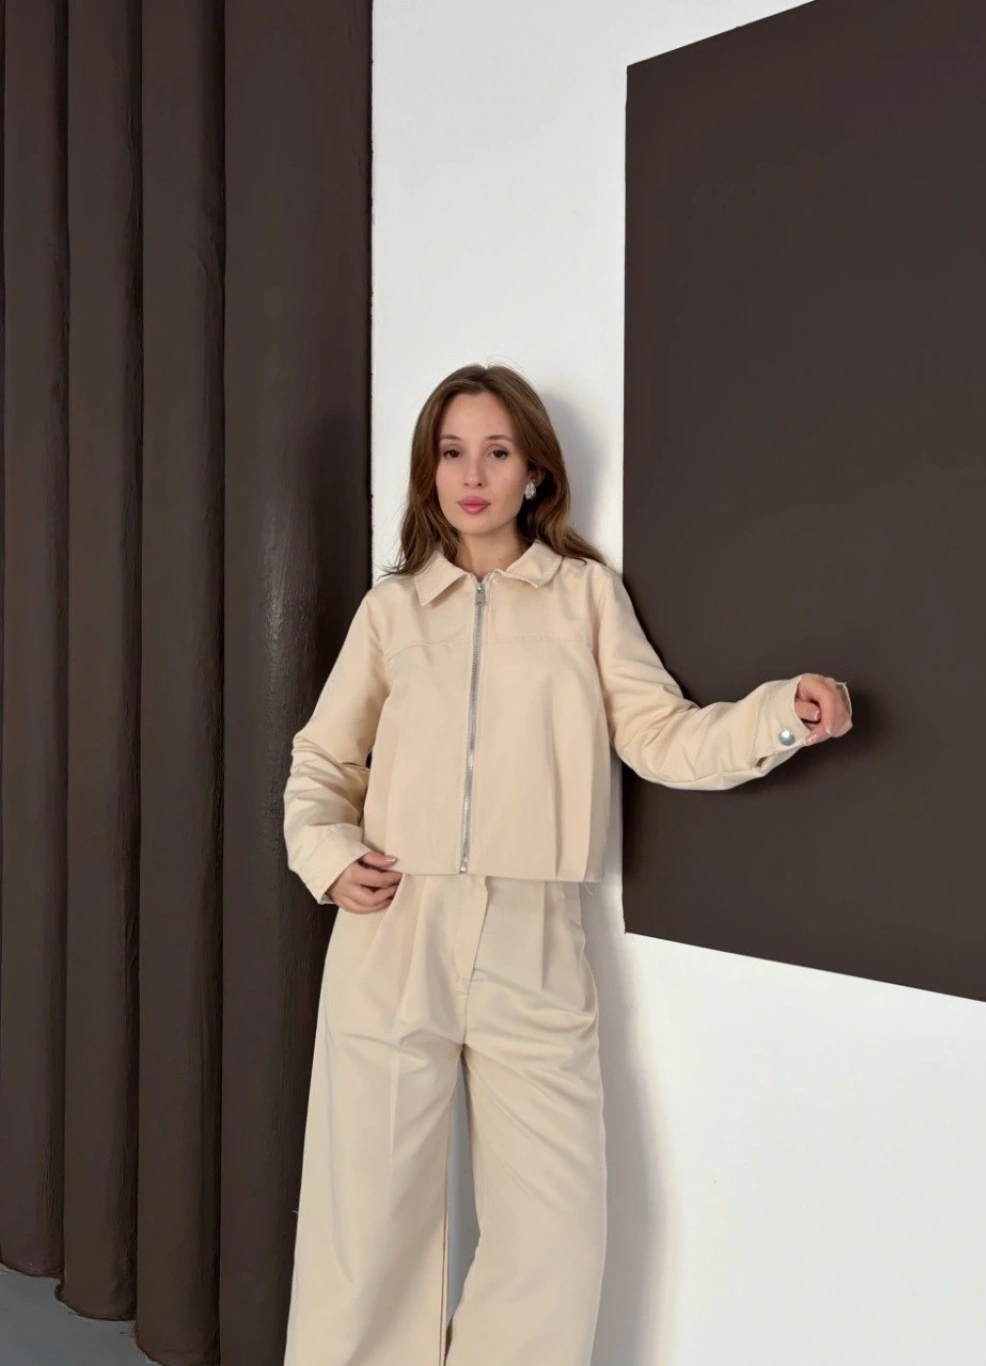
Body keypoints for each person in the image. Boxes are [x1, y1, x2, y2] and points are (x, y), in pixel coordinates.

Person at [280, 363, 853, 1366]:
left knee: (554, 1241)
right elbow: (322, 762)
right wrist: (327, 856)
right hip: (394, 930)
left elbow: (661, 734)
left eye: (497, 451)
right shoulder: (393, 611)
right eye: (452, 452)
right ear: (428, 473)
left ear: (534, 472)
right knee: (364, 1235)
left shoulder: (584, 598)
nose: (473, 475)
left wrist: (780, 716)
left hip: (533, 937)